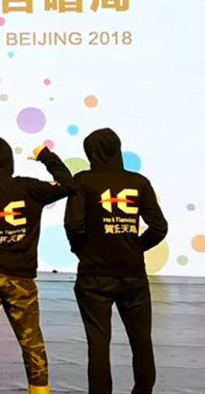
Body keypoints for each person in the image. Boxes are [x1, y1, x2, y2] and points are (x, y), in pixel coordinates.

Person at [0, 137, 73, 394]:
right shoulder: (29, 187)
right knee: (32, 342)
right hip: (21, 278)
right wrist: (46, 156)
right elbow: (68, 184)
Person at [64, 128, 168, 394]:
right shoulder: (139, 182)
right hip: (133, 274)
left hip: (93, 275)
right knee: (141, 340)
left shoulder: (83, 181)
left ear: (90, 152)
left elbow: (73, 225)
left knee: (98, 343)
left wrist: (82, 251)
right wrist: (135, 247)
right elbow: (159, 227)